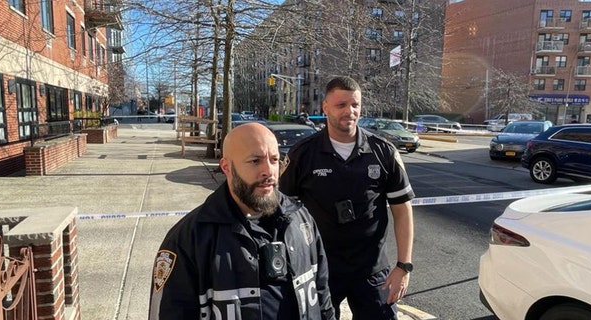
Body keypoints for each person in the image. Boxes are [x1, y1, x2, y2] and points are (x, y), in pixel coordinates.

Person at [149, 123, 335, 320]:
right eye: (255, 161)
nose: (268, 171)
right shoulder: (188, 240)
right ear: (227, 167)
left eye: (274, 160)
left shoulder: (301, 221)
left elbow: (323, 297)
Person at [279, 76, 415, 320]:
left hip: (372, 270)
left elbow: (402, 209)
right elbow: (282, 211)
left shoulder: (383, 151)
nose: (350, 111)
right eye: (341, 105)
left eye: (355, 105)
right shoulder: (303, 154)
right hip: (321, 268)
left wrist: (403, 266)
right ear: (325, 107)